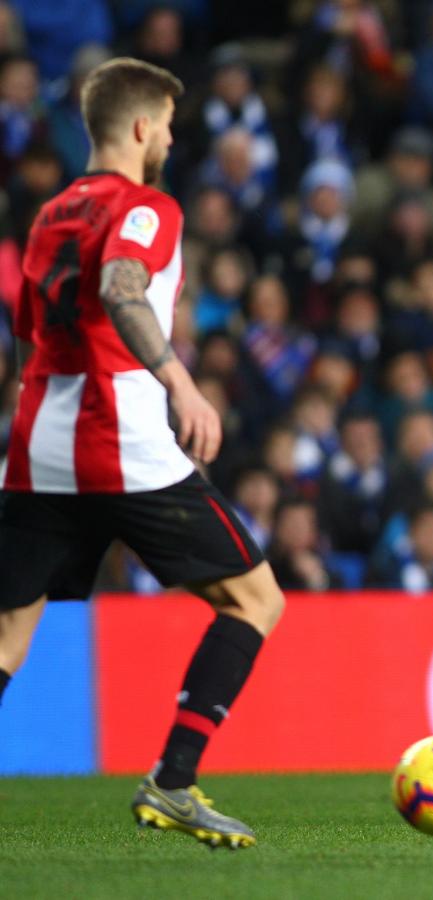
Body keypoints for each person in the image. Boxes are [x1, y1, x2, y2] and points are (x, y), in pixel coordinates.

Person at [0, 59, 285, 850]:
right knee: (256, 600)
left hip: (38, 443)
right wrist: (181, 383)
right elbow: (123, 289)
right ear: (137, 127)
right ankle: (173, 781)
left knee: (6, 636)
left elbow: (24, 339)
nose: (169, 139)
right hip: (118, 439)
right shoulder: (146, 207)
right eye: (164, 125)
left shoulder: (50, 214)